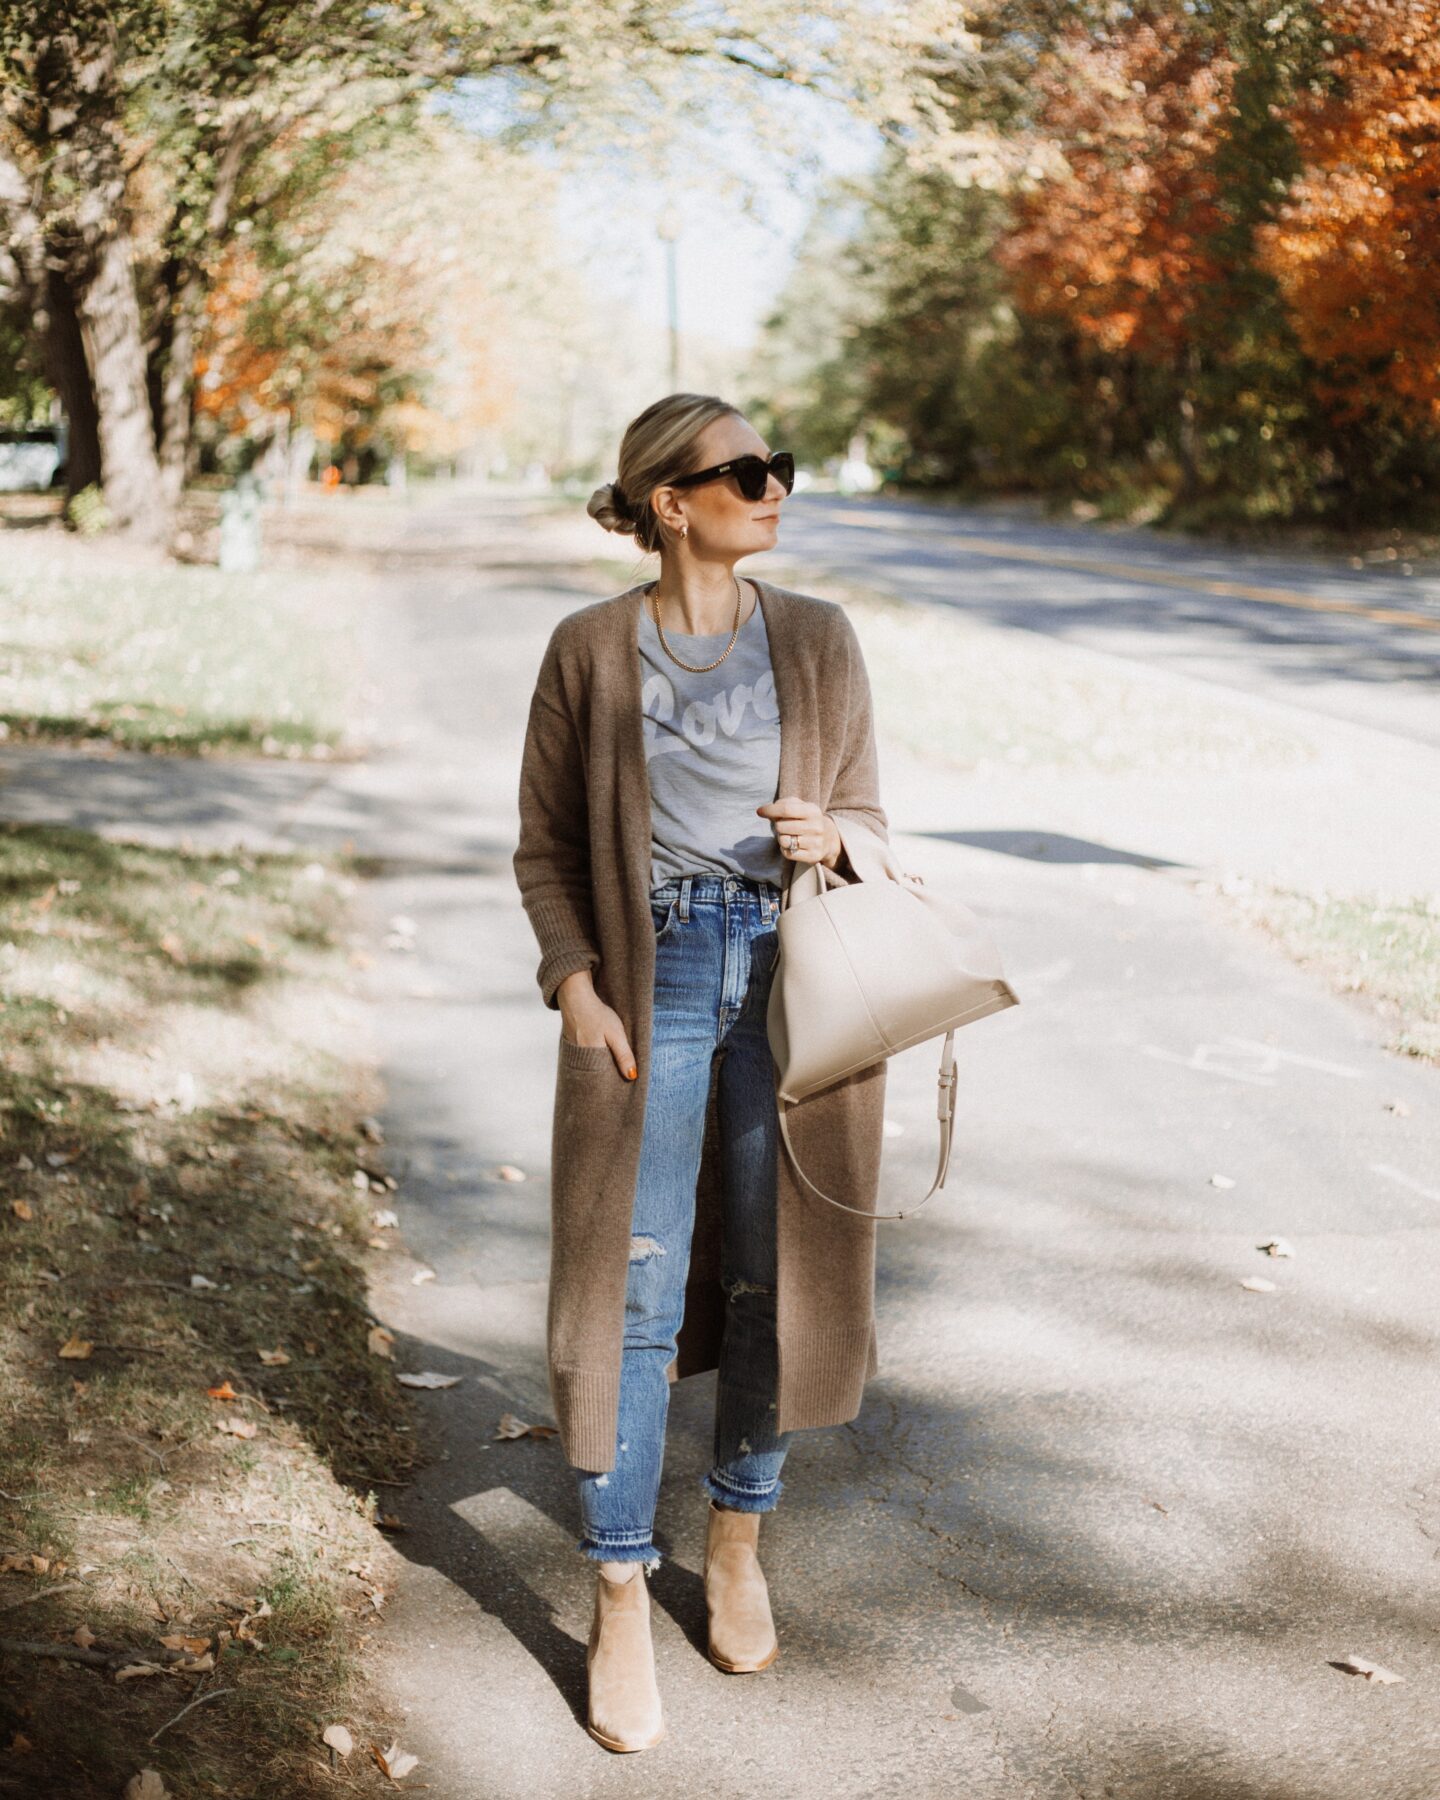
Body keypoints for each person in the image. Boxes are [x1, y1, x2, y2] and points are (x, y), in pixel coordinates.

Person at [512, 392, 893, 1753]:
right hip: (653, 976)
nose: (772, 485)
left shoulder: (822, 641)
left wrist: (832, 835)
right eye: (742, 471)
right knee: (634, 1278)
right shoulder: (587, 651)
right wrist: (571, 981)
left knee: (777, 1274)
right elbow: (546, 848)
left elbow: (872, 823)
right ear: (668, 502)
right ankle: (619, 1583)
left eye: (777, 466)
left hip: (792, 978)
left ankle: (735, 1543)